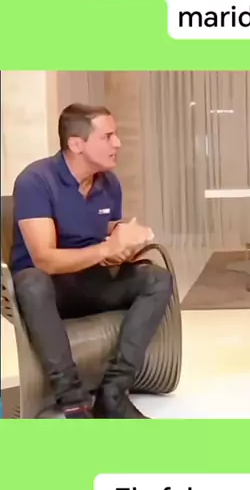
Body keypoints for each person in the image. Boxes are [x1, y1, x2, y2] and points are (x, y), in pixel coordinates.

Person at [10, 103, 174, 419]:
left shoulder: (109, 184)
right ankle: (73, 401)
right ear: (77, 144)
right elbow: (45, 260)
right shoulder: (36, 181)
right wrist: (107, 249)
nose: (118, 143)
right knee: (31, 281)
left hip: (90, 282)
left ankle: (113, 392)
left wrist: (125, 238)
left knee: (157, 278)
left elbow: (106, 229)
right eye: (107, 136)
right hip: (46, 293)